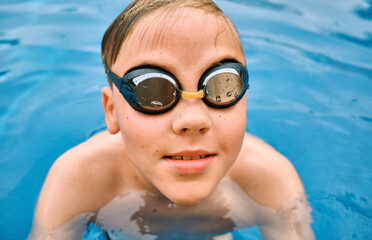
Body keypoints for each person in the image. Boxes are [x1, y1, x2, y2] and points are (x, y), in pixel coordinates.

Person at [28, 0, 314, 239]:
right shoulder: (80, 180)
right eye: (151, 90)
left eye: (221, 85)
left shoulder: (269, 182)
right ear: (112, 110)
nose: (192, 120)